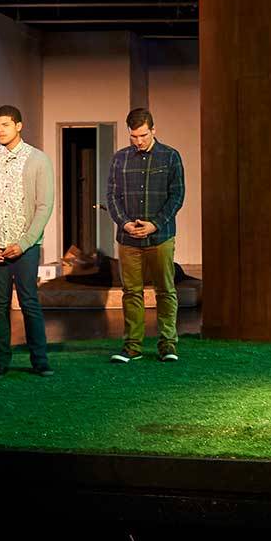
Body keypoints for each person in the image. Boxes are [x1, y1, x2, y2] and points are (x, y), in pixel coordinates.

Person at [0, 104, 56, 378]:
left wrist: (27, 241)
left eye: (5, 125)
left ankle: (39, 360)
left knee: (29, 301)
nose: (0, 130)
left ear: (19, 125)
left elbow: (44, 205)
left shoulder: (38, 159)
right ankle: (1, 361)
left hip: (25, 246)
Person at [106, 108, 186, 363]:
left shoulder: (170, 156)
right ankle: (132, 347)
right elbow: (112, 197)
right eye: (133, 136)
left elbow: (177, 196)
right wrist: (126, 224)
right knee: (131, 292)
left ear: (153, 130)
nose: (138, 141)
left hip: (160, 236)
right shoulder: (120, 159)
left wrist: (155, 224)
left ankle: (168, 345)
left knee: (165, 289)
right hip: (128, 239)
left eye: (142, 135)